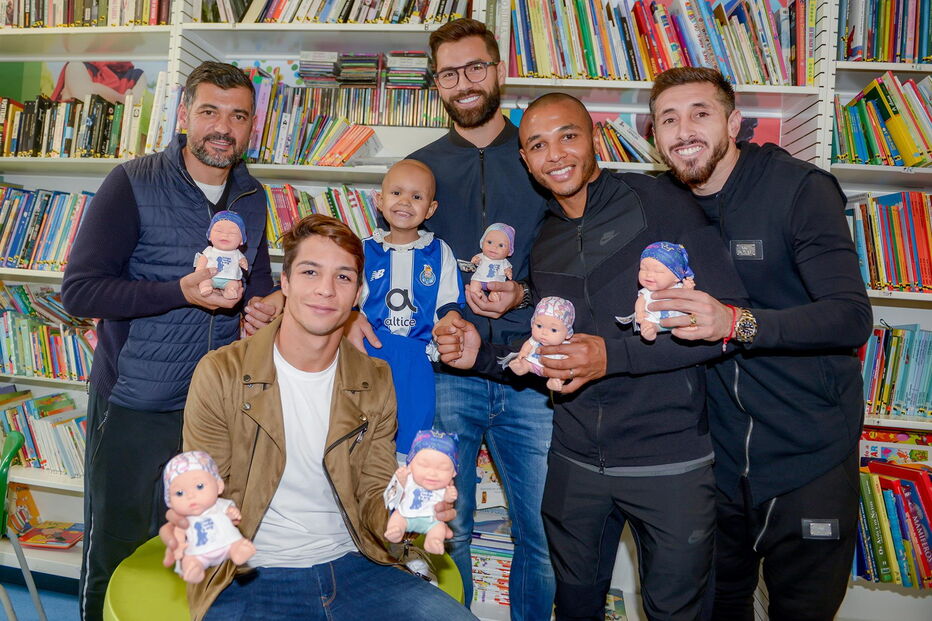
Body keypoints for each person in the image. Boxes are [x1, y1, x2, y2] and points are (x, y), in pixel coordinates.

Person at [435, 93, 748, 621]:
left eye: (568, 136)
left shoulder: (663, 204)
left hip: (668, 462)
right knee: (575, 607)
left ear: (594, 138)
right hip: (575, 461)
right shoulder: (545, 233)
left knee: (678, 612)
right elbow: (555, 348)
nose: (555, 154)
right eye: (537, 144)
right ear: (525, 160)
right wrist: (481, 355)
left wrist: (614, 357)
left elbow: (724, 326)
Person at [160, 214, 476, 621]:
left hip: (358, 563)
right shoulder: (221, 373)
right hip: (251, 570)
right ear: (286, 284)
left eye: (343, 278)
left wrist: (406, 510)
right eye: (310, 272)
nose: (325, 290)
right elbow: (207, 492)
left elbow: (373, 490)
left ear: (359, 292)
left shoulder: (375, 378)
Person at [646, 67, 873, 620]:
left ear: (735, 122)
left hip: (807, 453)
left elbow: (850, 318)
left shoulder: (799, 188)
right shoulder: (663, 203)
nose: (684, 131)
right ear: (654, 138)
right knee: (720, 606)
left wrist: (737, 323)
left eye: (700, 113)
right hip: (714, 460)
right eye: (667, 120)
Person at [346, 18, 555, 619]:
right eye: (449, 73)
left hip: (528, 373)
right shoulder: (418, 170)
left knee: (540, 535)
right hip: (442, 378)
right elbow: (361, 263)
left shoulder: (539, 158)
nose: (464, 82)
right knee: (440, 525)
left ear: (499, 70)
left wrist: (524, 296)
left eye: (475, 68)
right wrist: (343, 320)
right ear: (435, 82)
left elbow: (573, 263)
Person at [61, 61, 281, 621]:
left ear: (252, 124)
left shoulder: (252, 194)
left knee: (200, 550)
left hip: (216, 406)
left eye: (238, 115)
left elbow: (253, 281)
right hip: (138, 403)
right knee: (117, 550)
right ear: (184, 115)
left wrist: (268, 304)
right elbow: (81, 293)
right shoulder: (131, 182)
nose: (222, 128)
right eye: (208, 111)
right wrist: (180, 291)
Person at [358, 159, 464, 454]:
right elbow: (347, 300)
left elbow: (449, 302)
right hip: (370, 353)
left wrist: (450, 321)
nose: (405, 202)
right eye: (396, 193)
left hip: (417, 355)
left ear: (430, 209)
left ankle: (406, 485)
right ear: (379, 201)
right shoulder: (362, 249)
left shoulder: (439, 251)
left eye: (417, 197)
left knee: (413, 428)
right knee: (364, 426)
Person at [634, 241, 696, 341]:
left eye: (657, 271)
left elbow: (688, 298)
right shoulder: (647, 292)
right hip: (655, 320)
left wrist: (688, 289)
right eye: (643, 269)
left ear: (677, 276)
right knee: (647, 325)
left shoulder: (679, 289)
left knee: (694, 319)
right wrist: (640, 313)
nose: (648, 275)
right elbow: (640, 302)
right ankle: (651, 331)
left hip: (679, 320)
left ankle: (690, 328)